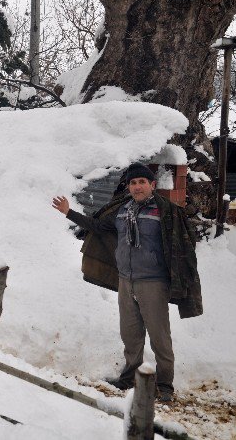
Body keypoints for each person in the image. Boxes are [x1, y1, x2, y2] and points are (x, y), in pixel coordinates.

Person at [52, 162, 202, 402]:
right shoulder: (122, 211)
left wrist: (178, 278)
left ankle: (164, 385)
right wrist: (69, 213)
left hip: (153, 283)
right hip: (126, 281)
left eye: (142, 182)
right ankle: (129, 377)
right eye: (133, 182)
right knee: (130, 334)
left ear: (152, 185)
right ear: (129, 187)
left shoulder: (166, 211)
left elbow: (183, 244)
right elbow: (98, 226)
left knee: (159, 336)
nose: (137, 186)